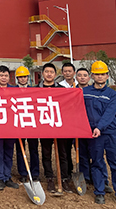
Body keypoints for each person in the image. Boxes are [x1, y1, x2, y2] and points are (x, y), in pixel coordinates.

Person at [84, 61, 116, 208]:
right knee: (97, 162)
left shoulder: (112, 94)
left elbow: (109, 113)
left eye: (103, 74)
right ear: (92, 75)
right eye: (97, 74)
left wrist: (100, 127)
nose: (100, 76)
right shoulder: (85, 92)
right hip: (94, 135)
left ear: (107, 76)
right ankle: (99, 192)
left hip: (110, 133)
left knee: (115, 164)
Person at [38, 62, 70, 192]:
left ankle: (64, 178)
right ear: (42, 74)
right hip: (44, 126)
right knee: (46, 154)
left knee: (63, 154)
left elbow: (67, 107)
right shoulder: (36, 89)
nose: (49, 74)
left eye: (51, 72)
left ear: (55, 74)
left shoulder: (62, 90)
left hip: (59, 127)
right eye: (46, 72)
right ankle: (49, 178)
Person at [0, 66, 19, 191]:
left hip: (10, 127)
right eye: (1, 75)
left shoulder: (14, 90)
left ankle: (7, 176)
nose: (4, 78)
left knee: (8, 152)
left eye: (6, 75)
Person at [14, 66, 40, 184]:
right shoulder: (12, 91)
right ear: (17, 78)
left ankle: (35, 173)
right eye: (20, 77)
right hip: (18, 124)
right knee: (20, 149)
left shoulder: (34, 90)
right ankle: (23, 173)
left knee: (33, 149)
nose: (23, 79)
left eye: (25, 77)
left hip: (31, 124)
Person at [59, 63, 76, 180]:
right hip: (64, 123)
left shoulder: (79, 86)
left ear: (74, 72)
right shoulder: (59, 87)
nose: (67, 73)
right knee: (65, 150)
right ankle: (67, 172)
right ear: (62, 73)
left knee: (80, 149)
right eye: (65, 71)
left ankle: (86, 174)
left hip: (77, 122)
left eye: (70, 71)